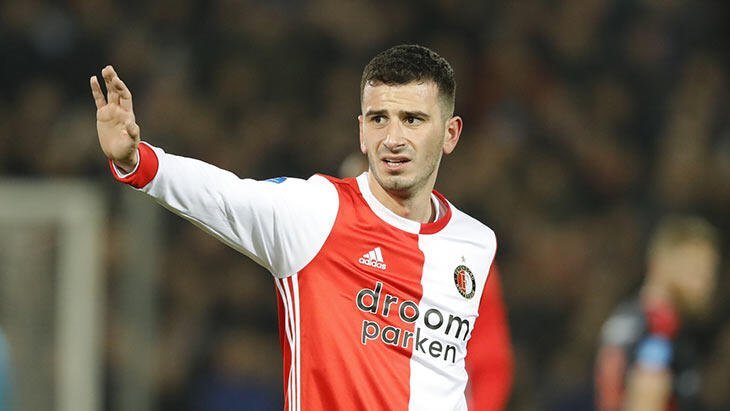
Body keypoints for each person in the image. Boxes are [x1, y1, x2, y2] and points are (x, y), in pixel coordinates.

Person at [91, 44, 512, 410]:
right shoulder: (317, 212)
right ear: (361, 131)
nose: (393, 138)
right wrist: (137, 160)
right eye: (379, 119)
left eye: (413, 120)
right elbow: (222, 195)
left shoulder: (475, 243)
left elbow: (474, 369)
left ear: (450, 134)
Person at [595, 216, 720, 411]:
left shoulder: (626, 315)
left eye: (710, 273)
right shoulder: (660, 326)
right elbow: (646, 398)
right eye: (696, 270)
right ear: (662, 264)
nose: (706, 283)